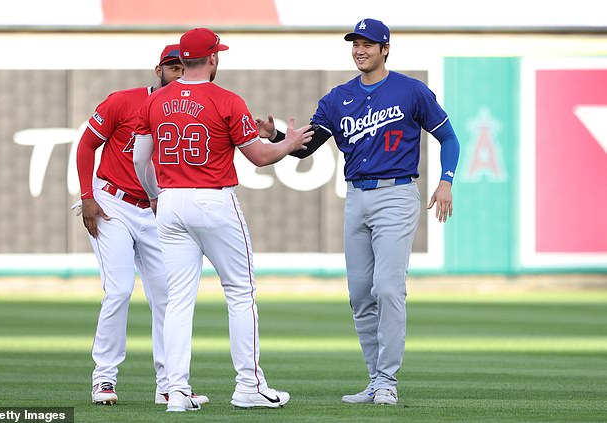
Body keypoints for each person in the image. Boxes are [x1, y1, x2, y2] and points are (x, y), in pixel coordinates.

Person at [259, 18, 460, 406]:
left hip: (397, 193)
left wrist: (446, 180)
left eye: (369, 44)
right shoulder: (338, 98)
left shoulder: (410, 90)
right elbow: (306, 148)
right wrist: (276, 137)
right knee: (359, 295)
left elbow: (448, 137)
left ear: (386, 49)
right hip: (357, 198)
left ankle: (388, 380)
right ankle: (374, 380)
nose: (360, 49)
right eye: (355, 43)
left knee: (387, 287)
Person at [132, 28, 313, 412]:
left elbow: (138, 160)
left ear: (182, 61)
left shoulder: (156, 100)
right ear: (212, 58)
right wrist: (290, 143)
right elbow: (260, 157)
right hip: (213, 199)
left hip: (170, 201)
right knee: (240, 291)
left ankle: (176, 391)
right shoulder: (226, 100)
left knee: (178, 300)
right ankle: (248, 384)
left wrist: (154, 196)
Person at [76, 44, 208, 406]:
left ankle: (168, 384)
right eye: (172, 67)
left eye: (185, 67)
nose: (178, 73)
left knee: (167, 298)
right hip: (112, 203)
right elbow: (87, 146)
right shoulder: (124, 101)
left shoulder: (190, 113)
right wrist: (87, 196)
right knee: (118, 290)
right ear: (158, 70)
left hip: (155, 210)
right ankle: (104, 379)